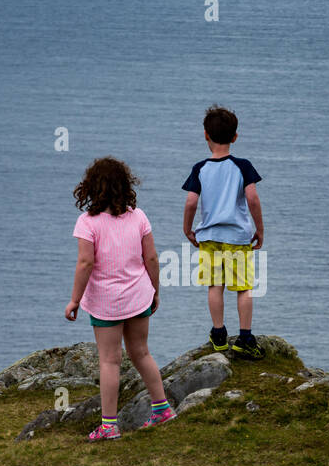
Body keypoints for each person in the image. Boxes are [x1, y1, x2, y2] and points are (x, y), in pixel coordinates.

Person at [65, 157, 174, 440]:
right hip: (139, 296)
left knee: (110, 361)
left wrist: (75, 299)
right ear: (126, 185)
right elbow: (150, 257)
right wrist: (155, 290)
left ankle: (109, 425)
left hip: (106, 302)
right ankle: (162, 409)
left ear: (90, 187)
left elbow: (85, 263)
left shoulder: (87, 222)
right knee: (141, 352)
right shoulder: (139, 216)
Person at [182, 105, 264, 358]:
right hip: (238, 237)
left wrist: (188, 229)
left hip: (209, 237)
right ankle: (245, 338)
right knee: (243, 288)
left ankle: (218, 334)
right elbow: (252, 199)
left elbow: (191, 203)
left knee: (214, 286)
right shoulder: (243, 166)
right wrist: (259, 229)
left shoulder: (200, 168)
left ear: (205, 135)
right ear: (235, 136)